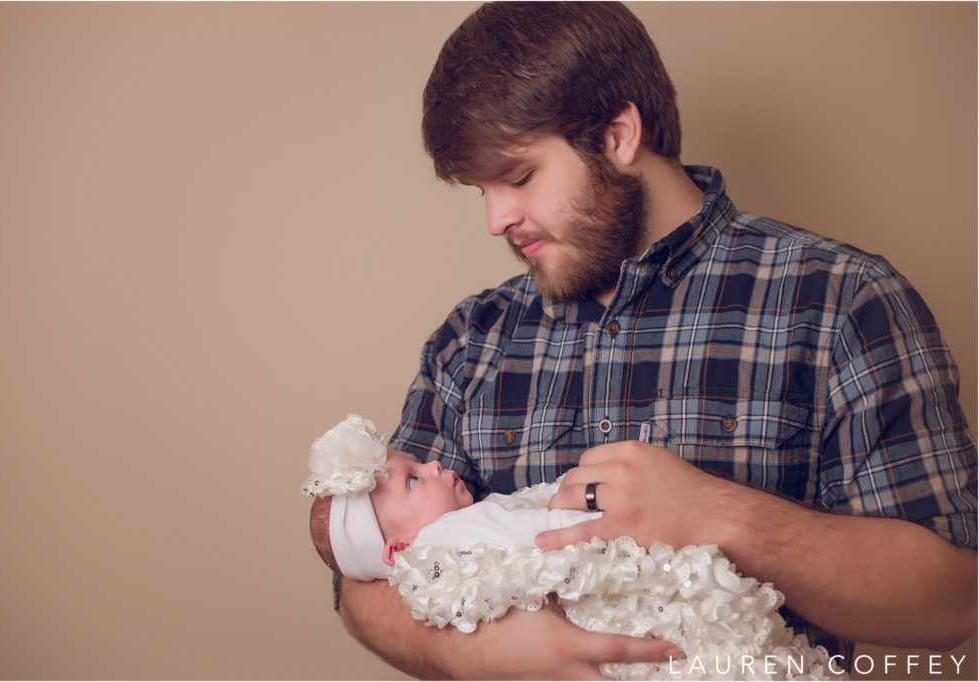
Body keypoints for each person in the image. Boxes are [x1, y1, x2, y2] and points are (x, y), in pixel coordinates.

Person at [336, 3, 978, 679]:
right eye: (482, 190)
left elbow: (952, 599)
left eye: (519, 177)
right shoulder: (471, 341)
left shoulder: (842, 302)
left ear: (618, 135)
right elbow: (361, 576)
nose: (497, 219)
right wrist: (469, 650)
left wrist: (716, 515)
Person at [304, 415, 841, 680]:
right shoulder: (451, 537)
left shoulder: (459, 524)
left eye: (417, 464)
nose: (435, 464)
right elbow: (541, 537)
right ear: (398, 549)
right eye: (414, 480)